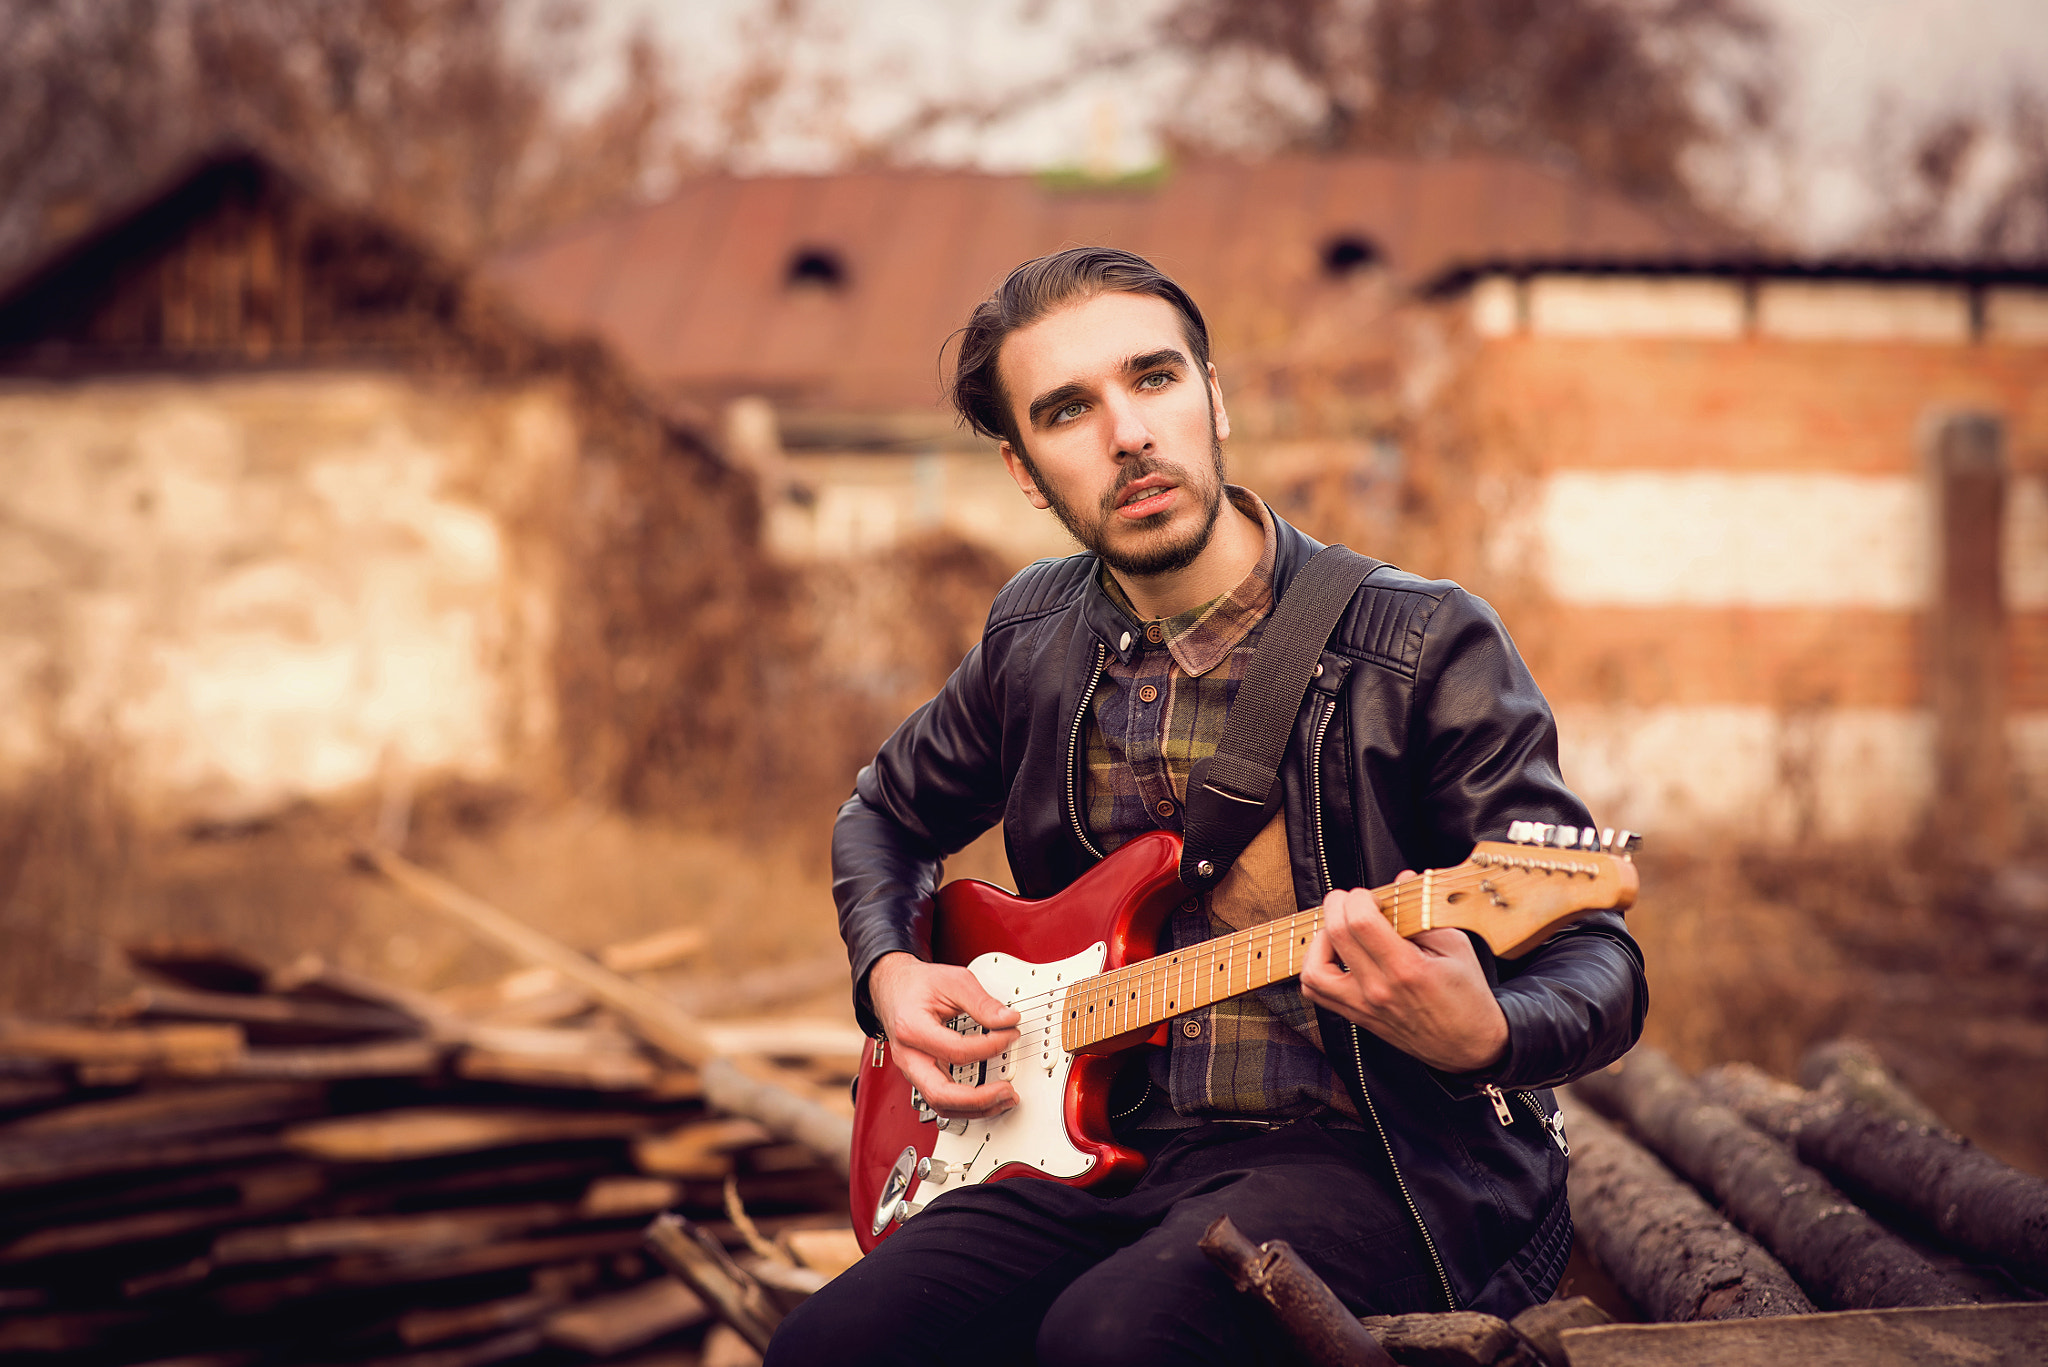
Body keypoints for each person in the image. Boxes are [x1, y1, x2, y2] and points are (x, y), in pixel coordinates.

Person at [766, 248, 1645, 1366]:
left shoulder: (1421, 644)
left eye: (1153, 379)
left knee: (1110, 1339)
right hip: (1087, 1145)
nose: (1126, 432)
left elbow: (1595, 956)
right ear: (1025, 469)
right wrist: (889, 971)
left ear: (1213, 397)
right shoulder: (1029, 638)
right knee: (826, 1347)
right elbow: (880, 815)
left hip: (1373, 1160)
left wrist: (1488, 1031)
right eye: (1068, 409)